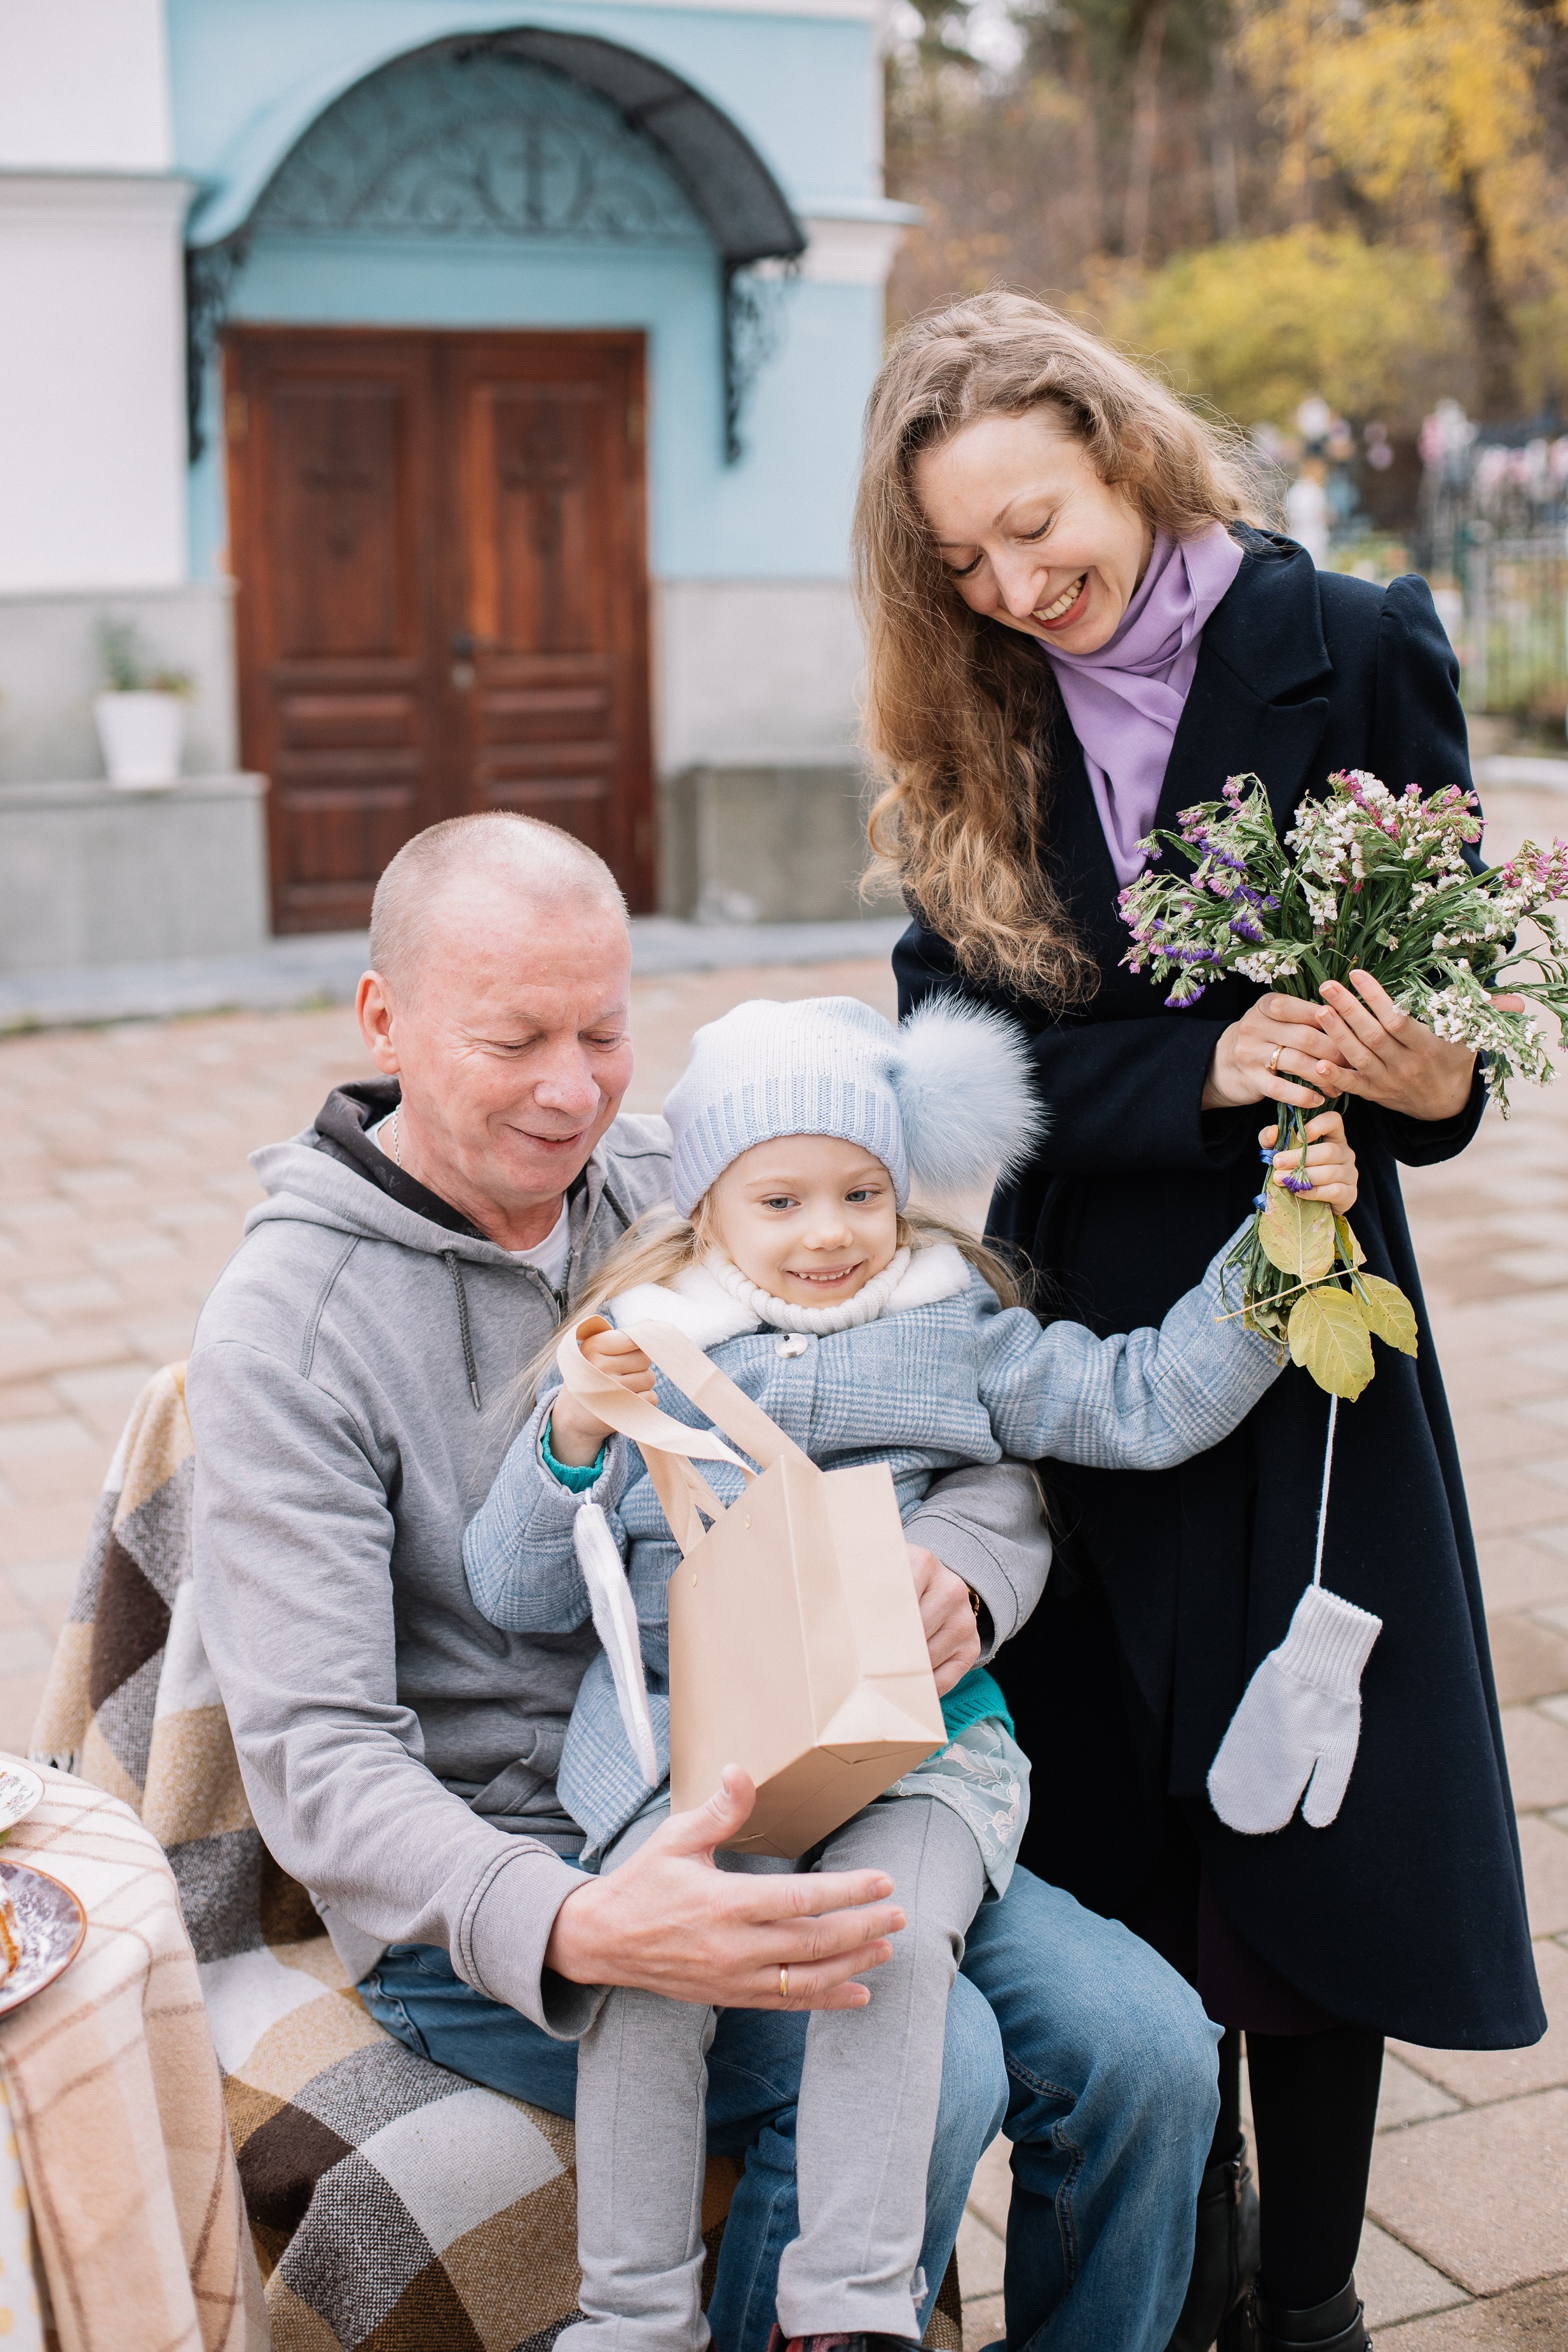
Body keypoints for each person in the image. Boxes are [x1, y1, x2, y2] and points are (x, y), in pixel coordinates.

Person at [187, 810, 1225, 2352]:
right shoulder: (288, 1330)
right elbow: (319, 1766)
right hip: (531, 1865)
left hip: (808, 1769)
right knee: (937, 2070)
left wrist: (964, 1571)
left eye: (604, 1030)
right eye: (515, 1038)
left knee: (1151, 2049)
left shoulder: (695, 1175)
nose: (571, 1090)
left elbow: (958, 1410)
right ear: (383, 1019)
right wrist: (580, 1923)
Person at [852, 290, 1545, 2352]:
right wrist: (1201, 1071)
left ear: (1118, 444)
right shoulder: (964, 717)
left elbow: (1443, 1047)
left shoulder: (1351, 643)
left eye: (1032, 523)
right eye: (960, 560)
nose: (1009, 583)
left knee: (1311, 1808)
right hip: (1073, 1335)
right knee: (1114, 1813)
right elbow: (943, 1076)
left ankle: (1309, 2296)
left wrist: (1416, 1081)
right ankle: (1185, 2242)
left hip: (1313, 1317)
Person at [463, 992, 1361, 2352]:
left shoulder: (955, 1334)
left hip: (919, 1743)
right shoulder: (647, 1346)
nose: (827, 1231)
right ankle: (632, 2314)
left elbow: (1143, 1400)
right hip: (692, 1748)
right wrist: (577, 1435)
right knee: (646, 1972)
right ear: (708, 1208)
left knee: (888, 1937)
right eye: (780, 1198)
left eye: (861, 1191)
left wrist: (1281, 1251)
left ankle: (849, 2309)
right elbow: (517, 1591)